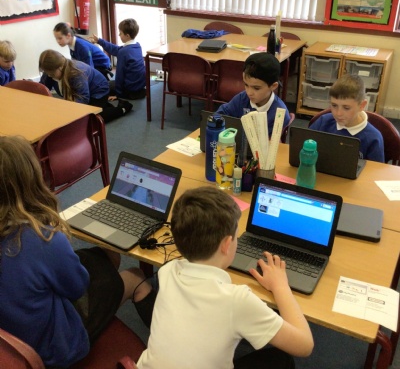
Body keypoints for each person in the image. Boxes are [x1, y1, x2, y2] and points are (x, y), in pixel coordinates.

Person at [0, 135, 156, 368]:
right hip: (56, 348)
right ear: (32, 179)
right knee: (134, 276)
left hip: (14, 337)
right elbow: (76, 287)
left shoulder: (25, 239)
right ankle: (166, 351)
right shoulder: (43, 238)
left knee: (106, 256)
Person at [137, 186, 314, 369]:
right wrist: (280, 286)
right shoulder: (238, 300)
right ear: (227, 244)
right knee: (280, 359)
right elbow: (304, 345)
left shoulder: (167, 271)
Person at [39, 49, 133, 123]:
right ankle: (104, 106)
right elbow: (41, 88)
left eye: (51, 73)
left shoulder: (76, 72)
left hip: (99, 91)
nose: (49, 75)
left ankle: (123, 108)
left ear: (60, 67)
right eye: (47, 73)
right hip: (85, 91)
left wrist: (67, 111)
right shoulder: (50, 71)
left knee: (92, 119)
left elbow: (83, 98)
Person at [309, 74, 384, 162]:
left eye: (346, 108)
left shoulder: (373, 137)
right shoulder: (322, 122)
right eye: (334, 105)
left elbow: (375, 169)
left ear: (362, 105)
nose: (338, 113)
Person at [216, 52, 291, 137]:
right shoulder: (242, 98)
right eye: (246, 85)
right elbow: (221, 113)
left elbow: (272, 142)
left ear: (273, 86)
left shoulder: (279, 115)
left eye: (256, 88)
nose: (249, 92)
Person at [89, 18, 146, 101]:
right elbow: (116, 49)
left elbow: (120, 75)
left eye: (121, 33)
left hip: (129, 90)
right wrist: (99, 41)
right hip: (139, 87)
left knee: (100, 85)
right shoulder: (136, 46)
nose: (119, 35)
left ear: (127, 36)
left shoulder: (124, 52)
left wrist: (118, 95)